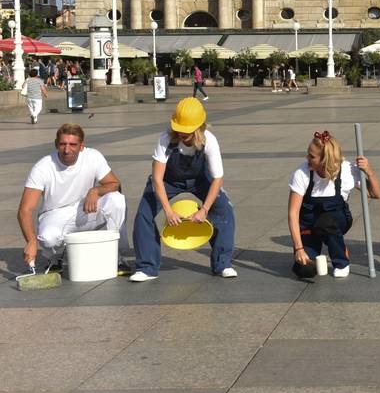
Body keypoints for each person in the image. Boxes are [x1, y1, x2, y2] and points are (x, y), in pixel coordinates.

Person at [131, 97, 235, 281]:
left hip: (200, 179)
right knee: (143, 215)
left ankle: (222, 264)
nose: (182, 134)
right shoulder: (165, 139)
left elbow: (218, 178)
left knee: (224, 209)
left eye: (187, 130)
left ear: (199, 127)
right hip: (168, 180)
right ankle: (147, 267)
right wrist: (169, 212)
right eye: (179, 129)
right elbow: (157, 178)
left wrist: (204, 210)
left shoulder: (209, 141)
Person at [16, 123, 129, 273]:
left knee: (117, 200)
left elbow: (114, 183)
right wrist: (31, 241)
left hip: (85, 209)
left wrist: (95, 191)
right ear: (56, 144)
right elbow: (25, 210)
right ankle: (55, 257)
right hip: (56, 214)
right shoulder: (43, 167)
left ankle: (117, 256)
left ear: (81, 146)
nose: (67, 149)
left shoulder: (92, 156)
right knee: (48, 238)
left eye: (72, 144)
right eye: (62, 144)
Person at [288, 131, 380, 279]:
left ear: (325, 160)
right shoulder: (302, 173)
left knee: (326, 223)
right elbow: (293, 214)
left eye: (312, 156)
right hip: (308, 224)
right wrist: (299, 248)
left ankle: (341, 260)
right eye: (308, 154)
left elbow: (375, 194)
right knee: (304, 270)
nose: (307, 159)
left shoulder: (347, 170)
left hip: (336, 220)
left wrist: (369, 172)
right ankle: (314, 251)